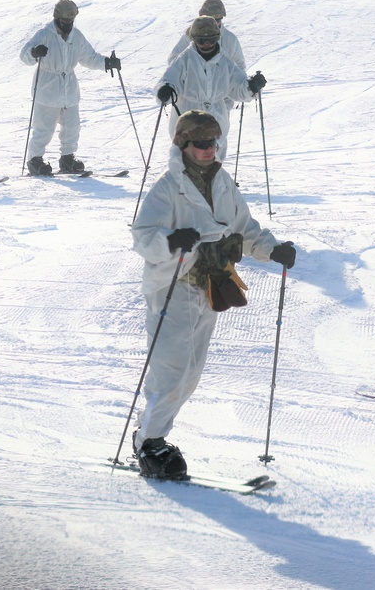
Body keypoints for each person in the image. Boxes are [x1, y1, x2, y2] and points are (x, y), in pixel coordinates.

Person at [130, 110, 296, 478]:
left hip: (210, 285)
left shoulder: (223, 182)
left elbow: (244, 228)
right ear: (183, 144)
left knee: (190, 372)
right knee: (171, 368)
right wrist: (170, 240)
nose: (209, 150)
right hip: (173, 287)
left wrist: (272, 249)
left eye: (213, 143)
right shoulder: (167, 186)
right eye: (201, 143)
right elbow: (143, 236)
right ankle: (151, 442)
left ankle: (149, 432)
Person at [20, 0, 118, 177]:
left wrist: (107, 63)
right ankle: (35, 160)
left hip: (69, 89)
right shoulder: (44, 34)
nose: (67, 25)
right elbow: (24, 56)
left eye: (70, 21)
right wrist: (34, 53)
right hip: (47, 88)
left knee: (72, 126)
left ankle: (67, 158)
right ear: (56, 18)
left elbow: (89, 57)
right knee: (44, 128)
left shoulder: (77, 36)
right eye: (64, 21)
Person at [157, 16, 264, 162]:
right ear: (193, 39)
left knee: (212, 162)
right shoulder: (184, 60)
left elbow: (239, 87)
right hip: (187, 118)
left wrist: (252, 86)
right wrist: (166, 91)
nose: (207, 44)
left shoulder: (225, 62)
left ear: (218, 38)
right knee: (184, 162)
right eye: (201, 40)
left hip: (216, 119)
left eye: (211, 39)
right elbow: (169, 80)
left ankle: (212, 184)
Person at [167, 0, 246, 72]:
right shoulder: (190, 37)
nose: (213, 23)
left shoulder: (230, 39)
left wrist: (246, 85)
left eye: (217, 20)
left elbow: (240, 67)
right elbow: (173, 63)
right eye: (210, 19)